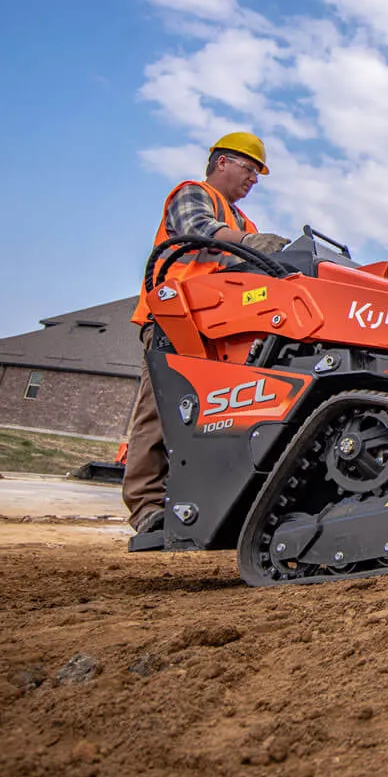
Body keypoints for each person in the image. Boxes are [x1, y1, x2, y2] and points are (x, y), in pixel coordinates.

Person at [123, 132, 289, 537]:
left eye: (257, 174)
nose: (253, 179)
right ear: (222, 163)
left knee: (215, 413)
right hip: (175, 318)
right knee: (161, 411)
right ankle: (146, 506)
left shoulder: (242, 220)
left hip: (220, 328)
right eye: (249, 169)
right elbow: (198, 232)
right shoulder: (194, 194)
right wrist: (251, 243)